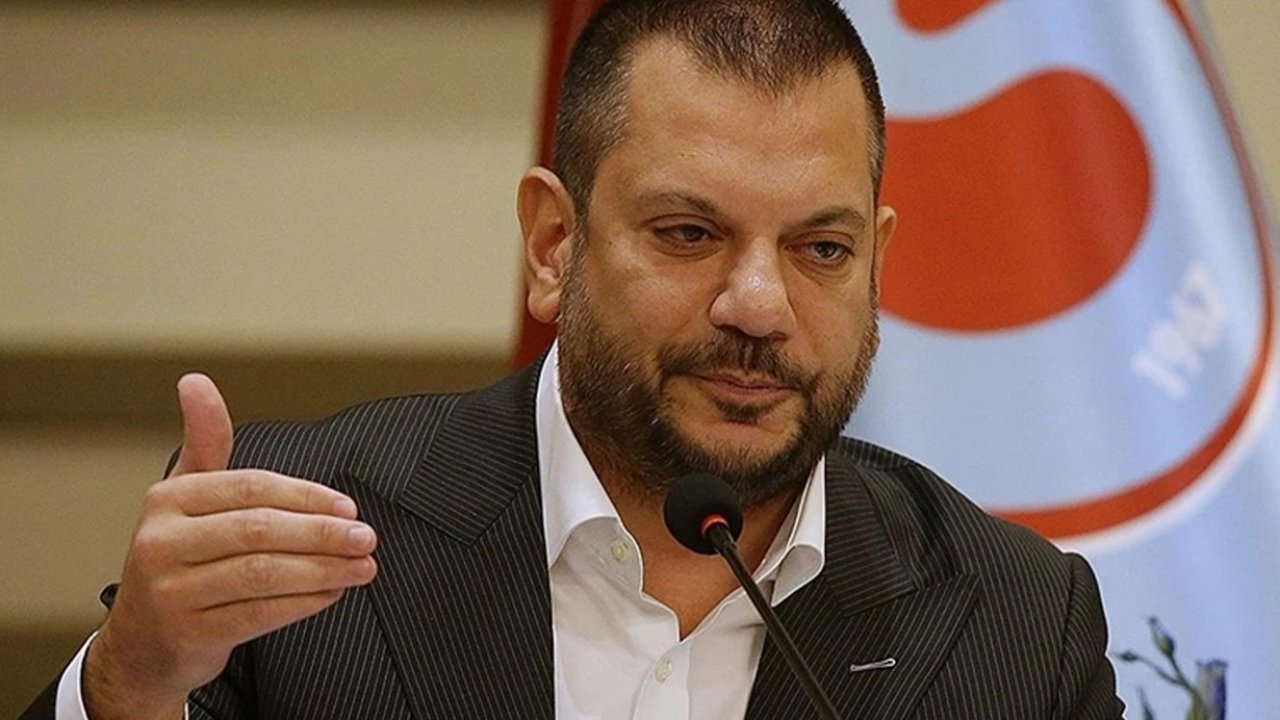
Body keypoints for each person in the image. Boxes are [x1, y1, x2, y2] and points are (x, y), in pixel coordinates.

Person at [23, 0, 1124, 718]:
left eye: (820, 250)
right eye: (688, 233)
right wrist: (130, 682)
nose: (759, 306)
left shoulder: (1015, 625)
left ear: (875, 260)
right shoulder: (298, 542)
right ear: (554, 245)